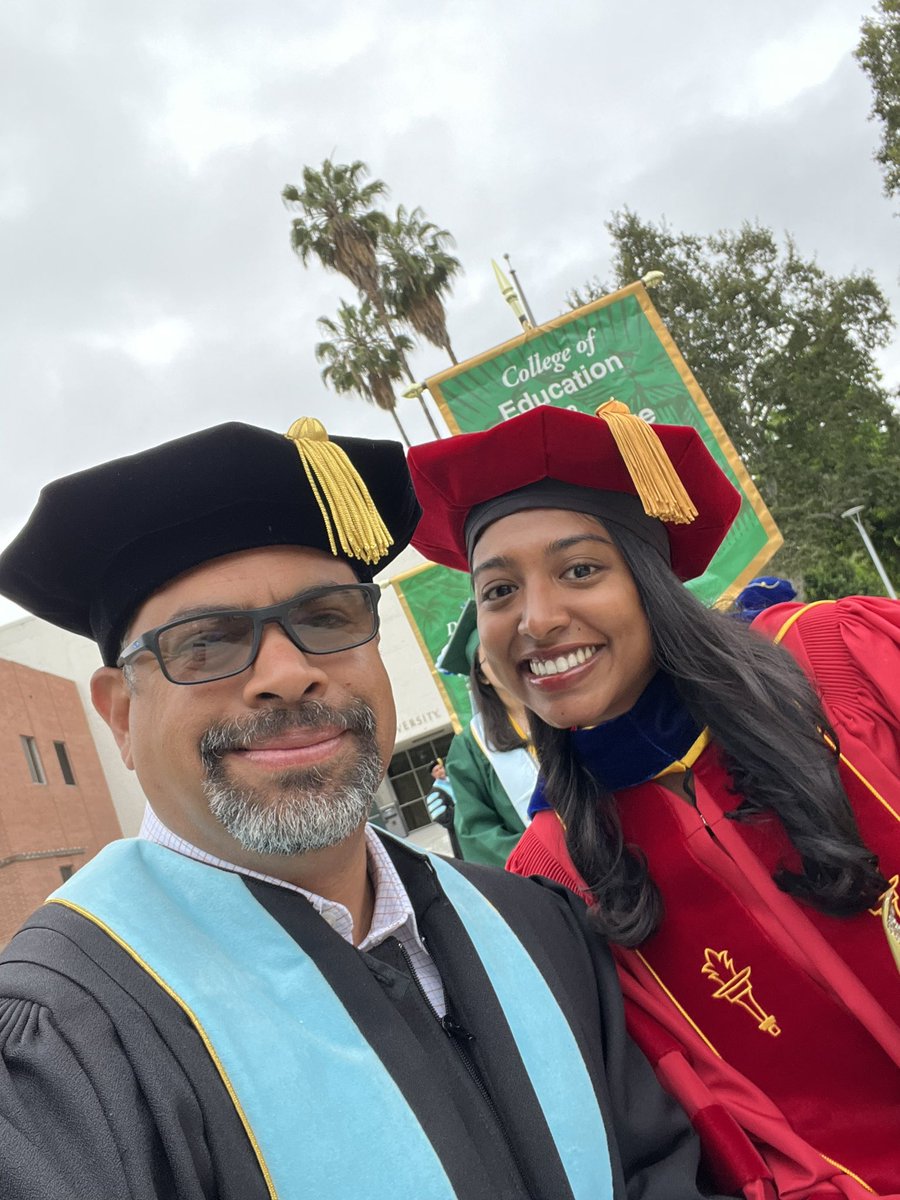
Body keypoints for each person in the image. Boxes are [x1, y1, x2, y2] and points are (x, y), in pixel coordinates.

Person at [0, 415, 730, 1200]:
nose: (287, 674)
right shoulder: (69, 1043)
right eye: (205, 642)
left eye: (326, 619)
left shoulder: (534, 925)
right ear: (120, 716)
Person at [407, 401, 900, 1198]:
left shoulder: (843, 660)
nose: (537, 619)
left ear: (650, 581)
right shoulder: (560, 872)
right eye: (498, 590)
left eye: (580, 570)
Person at [438, 599, 537, 866]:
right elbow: (477, 833)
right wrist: (545, 859)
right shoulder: (470, 746)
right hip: (543, 875)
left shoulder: (564, 710)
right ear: (480, 675)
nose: (504, 660)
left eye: (509, 650)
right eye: (491, 656)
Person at [423, 757, 463, 856]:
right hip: (458, 831)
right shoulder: (435, 793)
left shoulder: (454, 781)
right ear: (433, 775)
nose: (440, 771)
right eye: (436, 770)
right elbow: (441, 817)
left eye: (440, 768)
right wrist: (459, 817)